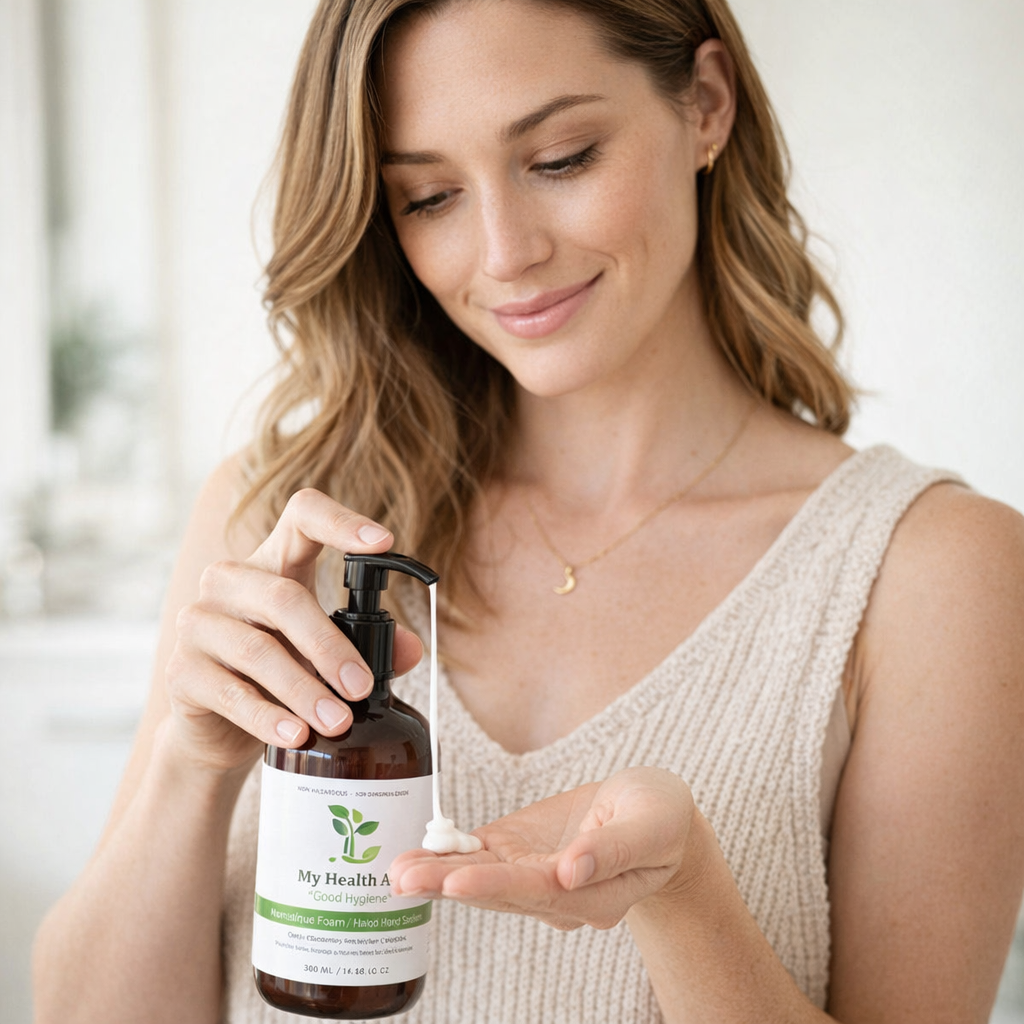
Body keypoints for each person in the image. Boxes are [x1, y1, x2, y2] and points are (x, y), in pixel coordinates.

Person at [32, 0, 1024, 1021]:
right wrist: (187, 769)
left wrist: (683, 900)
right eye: (426, 197)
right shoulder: (283, 522)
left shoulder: (929, 572)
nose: (503, 253)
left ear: (706, 107)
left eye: (560, 157)